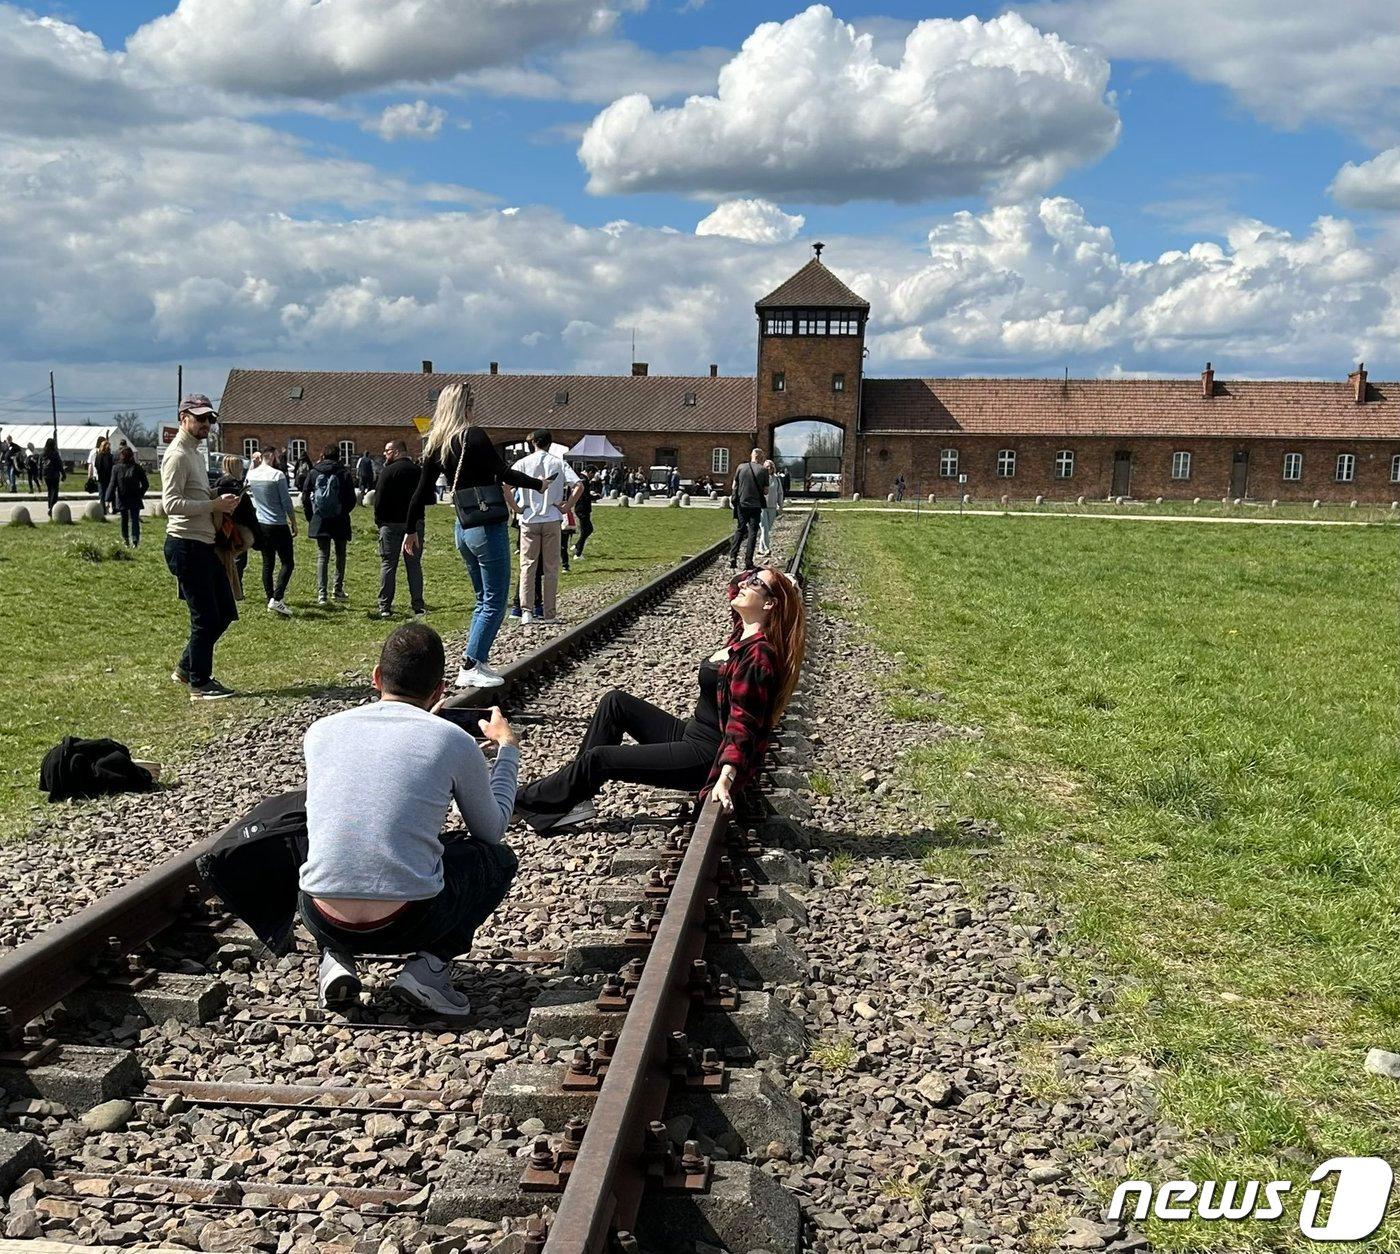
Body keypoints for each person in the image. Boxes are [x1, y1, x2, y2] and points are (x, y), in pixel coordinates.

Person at [299, 623, 520, 1016]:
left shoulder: (320, 732)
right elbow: (491, 829)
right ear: (438, 691)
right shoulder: (453, 741)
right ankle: (427, 971)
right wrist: (507, 749)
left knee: (335, 837)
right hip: (411, 920)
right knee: (497, 859)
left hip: (321, 914)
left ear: (377, 677)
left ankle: (335, 960)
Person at [514, 566, 806, 831]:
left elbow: (744, 724)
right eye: (750, 577)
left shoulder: (758, 656)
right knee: (614, 702)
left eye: (754, 583)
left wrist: (726, 778)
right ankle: (574, 800)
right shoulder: (742, 633)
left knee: (599, 759)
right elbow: (734, 586)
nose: (745, 583)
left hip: (705, 756)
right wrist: (772, 579)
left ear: (769, 604)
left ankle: (518, 802)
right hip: (690, 734)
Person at [404, 382, 554, 689]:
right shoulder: (473, 435)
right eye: (473, 402)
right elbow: (503, 472)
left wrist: (410, 529)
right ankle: (472, 663)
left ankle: (475, 660)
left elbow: (421, 491)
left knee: (482, 599)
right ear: (466, 406)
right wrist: (537, 485)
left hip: (463, 527)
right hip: (487, 527)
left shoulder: (436, 442)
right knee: (494, 599)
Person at [161, 394, 241, 700]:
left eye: (210, 419)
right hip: (185, 544)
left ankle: (186, 668)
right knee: (205, 616)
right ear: (183, 419)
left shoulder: (194, 452)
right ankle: (200, 682)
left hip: (202, 544)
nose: (206, 424)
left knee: (223, 612)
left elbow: (192, 493)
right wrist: (213, 503)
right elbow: (170, 504)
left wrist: (217, 496)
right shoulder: (178, 454)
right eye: (200, 418)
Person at [511, 429, 581, 627]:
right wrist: (567, 506)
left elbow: (505, 486)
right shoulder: (559, 463)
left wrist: (516, 507)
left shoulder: (523, 463)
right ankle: (549, 613)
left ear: (534, 443)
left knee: (527, 566)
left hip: (528, 519)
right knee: (551, 567)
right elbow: (578, 486)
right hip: (552, 517)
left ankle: (526, 611)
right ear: (550, 444)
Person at [374, 438, 426, 619]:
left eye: (387, 451)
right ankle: (418, 605)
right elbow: (426, 498)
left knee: (388, 564)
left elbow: (378, 499)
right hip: (414, 524)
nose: (384, 454)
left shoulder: (387, 472)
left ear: (397, 451)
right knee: (413, 564)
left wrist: (379, 522)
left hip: (390, 524)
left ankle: (384, 606)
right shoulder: (418, 471)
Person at [302, 445, 356, 606]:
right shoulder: (343, 473)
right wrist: (343, 511)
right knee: (340, 555)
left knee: (322, 556)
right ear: (339, 456)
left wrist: (311, 516)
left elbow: (305, 496)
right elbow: (351, 499)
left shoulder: (314, 472)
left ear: (323, 455)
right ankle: (337, 589)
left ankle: (322, 594)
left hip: (320, 519)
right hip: (340, 519)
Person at [247, 446, 298, 617]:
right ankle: (277, 598)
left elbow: (246, 482)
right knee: (287, 563)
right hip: (278, 524)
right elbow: (286, 501)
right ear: (271, 456)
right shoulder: (277, 475)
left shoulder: (252, 475)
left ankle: (270, 598)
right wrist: (294, 522)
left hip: (261, 523)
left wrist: (252, 464)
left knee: (267, 563)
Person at [728, 448, 769, 570]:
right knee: (753, 532)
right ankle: (748, 561)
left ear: (751, 455)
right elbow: (766, 491)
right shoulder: (763, 470)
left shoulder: (741, 467)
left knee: (740, 529)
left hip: (741, 504)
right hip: (755, 505)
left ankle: (733, 556)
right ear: (760, 457)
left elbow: (734, 485)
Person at [110, 445, 149, 548]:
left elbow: (113, 484)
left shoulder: (116, 468)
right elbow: (145, 484)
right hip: (135, 497)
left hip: (122, 497)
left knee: (124, 519)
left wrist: (108, 498)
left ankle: (125, 539)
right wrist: (140, 494)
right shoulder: (137, 467)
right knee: (135, 519)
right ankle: (135, 540)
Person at [573, 471, 595, 559]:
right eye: (593, 474)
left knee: (589, 529)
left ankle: (577, 545)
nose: (593, 476)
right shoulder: (584, 481)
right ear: (590, 472)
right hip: (583, 509)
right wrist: (596, 496)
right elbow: (586, 496)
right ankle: (578, 553)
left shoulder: (581, 479)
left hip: (581, 508)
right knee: (585, 530)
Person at [40, 438, 63, 518]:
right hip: (54, 474)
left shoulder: (43, 453)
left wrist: (40, 475)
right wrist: (63, 473)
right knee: (54, 491)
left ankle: (50, 506)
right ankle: (52, 508)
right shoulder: (55, 453)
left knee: (50, 491)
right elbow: (59, 464)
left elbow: (40, 465)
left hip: (46, 475)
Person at [94, 437, 114, 516]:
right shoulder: (110, 456)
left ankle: (103, 510)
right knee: (110, 494)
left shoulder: (98, 456)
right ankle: (112, 508)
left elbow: (96, 465)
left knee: (102, 495)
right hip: (108, 477)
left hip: (102, 477)